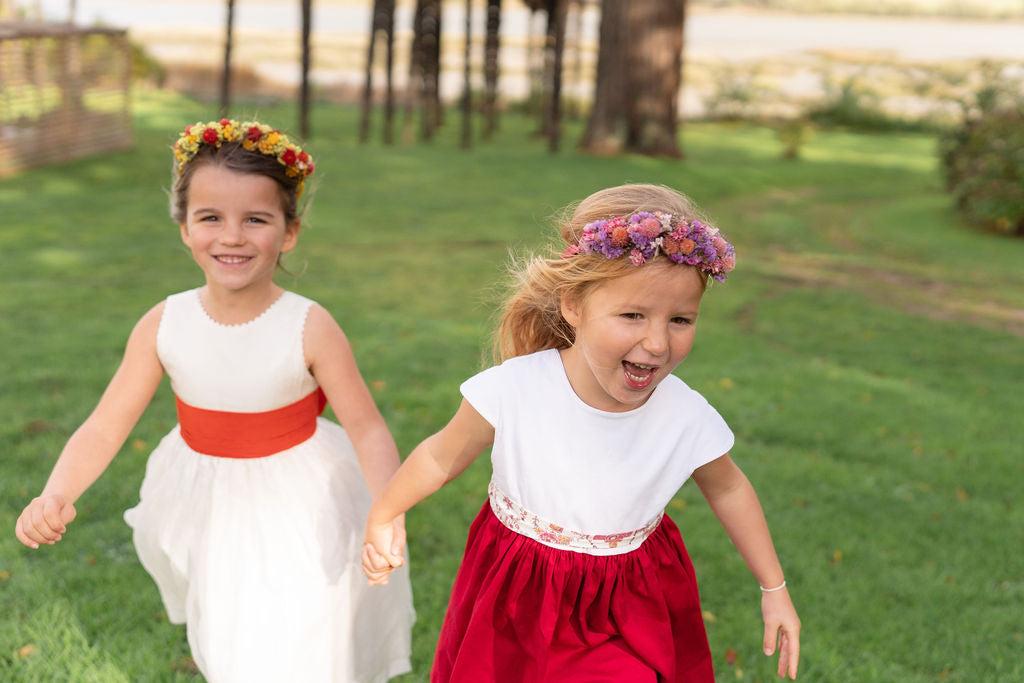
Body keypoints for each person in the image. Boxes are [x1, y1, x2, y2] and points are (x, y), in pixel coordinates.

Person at [15, 119, 415, 683]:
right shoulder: (165, 323)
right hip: (207, 501)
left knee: (306, 634)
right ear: (184, 228)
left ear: (290, 231)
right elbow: (105, 426)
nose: (232, 237)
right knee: (235, 638)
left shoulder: (309, 325)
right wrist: (57, 493)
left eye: (256, 219)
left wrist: (387, 511)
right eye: (210, 218)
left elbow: (367, 428)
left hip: (302, 503)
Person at [362, 184, 800, 681]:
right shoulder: (516, 389)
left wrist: (774, 588)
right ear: (573, 305)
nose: (658, 343)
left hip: (628, 600)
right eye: (633, 315)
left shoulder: (684, 415)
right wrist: (385, 512)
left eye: (680, 320)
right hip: (518, 594)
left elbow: (729, 487)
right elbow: (441, 457)